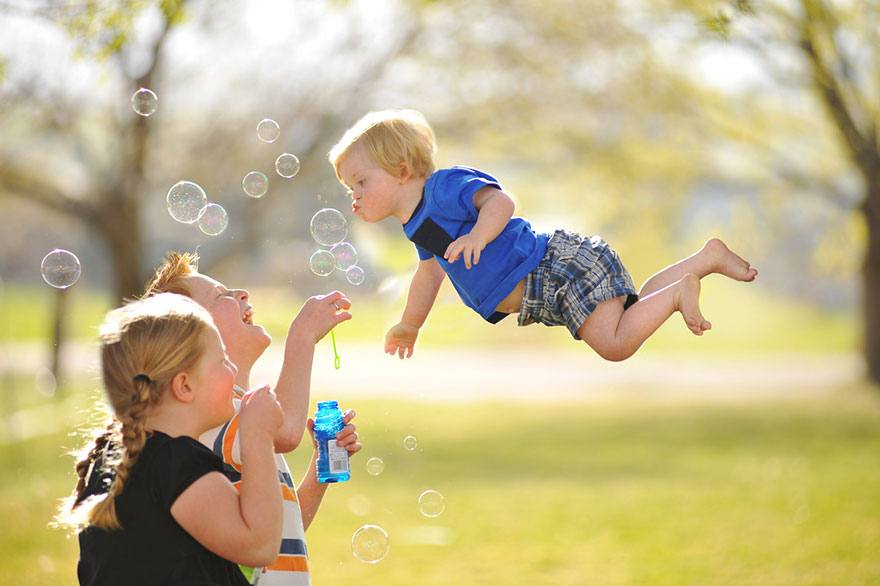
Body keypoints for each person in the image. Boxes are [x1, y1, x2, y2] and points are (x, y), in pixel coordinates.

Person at [328, 109, 758, 361]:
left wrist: (479, 235)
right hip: (549, 285)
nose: (355, 195)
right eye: (351, 189)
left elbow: (501, 202)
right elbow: (428, 276)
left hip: (556, 269)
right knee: (634, 311)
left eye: (361, 182)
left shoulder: (444, 187)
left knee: (615, 344)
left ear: (402, 170)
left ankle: (682, 290)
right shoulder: (417, 223)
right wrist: (409, 324)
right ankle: (704, 260)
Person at [141, 251, 361, 585]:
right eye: (221, 296)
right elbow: (286, 432)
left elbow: (274, 530)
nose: (241, 293)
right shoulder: (209, 413)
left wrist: (320, 470)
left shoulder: (241, 415)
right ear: (192, 338)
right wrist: (302, 337)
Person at [58, 293, 283, 585]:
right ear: (185, 385)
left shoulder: (113, 458)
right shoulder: (178, 462)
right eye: (223, 360)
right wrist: (258, 436)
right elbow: (259, 545)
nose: (233, 369)